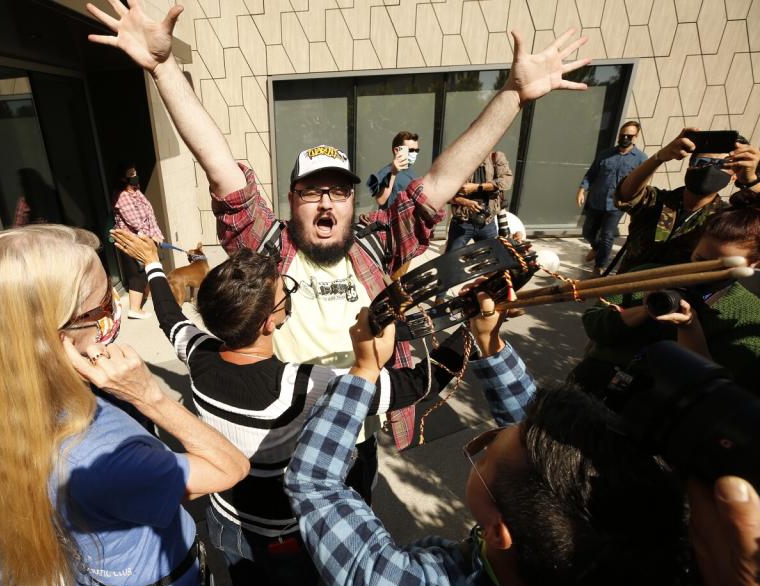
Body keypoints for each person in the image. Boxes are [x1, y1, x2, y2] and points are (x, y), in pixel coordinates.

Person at [86, 0, 591, 469]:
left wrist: (512, 96)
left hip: (355, 433)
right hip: (281, 436)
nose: (326, 202)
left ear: (354, 201)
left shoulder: (376, 242)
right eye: (312, 192)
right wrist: (163, 67)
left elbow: (436, 185)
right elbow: (221, 170)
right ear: (291, 202)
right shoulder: (267, 245)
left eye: (338, 191)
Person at [113, 228, 469, 586]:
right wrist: (472, 335)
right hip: (283, 539)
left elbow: (168, 316)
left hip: (225, 521)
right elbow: (415, 386)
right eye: (285, 294)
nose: (288, 299)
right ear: (269, 322)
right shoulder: (299, 386)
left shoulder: (198, 354)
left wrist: (153, 265)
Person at [284, 297, 687, 586]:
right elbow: (536, 443)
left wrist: (364, 370)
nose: (494, 436)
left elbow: (314, 481)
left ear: (499, 531)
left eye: (487, 449)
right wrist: (488, 344)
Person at [0, 224, 249, 586]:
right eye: (103, 305)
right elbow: (230, 467)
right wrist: (149, 396)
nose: (116, 311)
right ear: (55, 340)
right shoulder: (102, 452)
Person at [572, 203, 760, 396]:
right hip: (593, 381)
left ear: (753, 263)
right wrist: (644, 310)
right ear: (695, 245)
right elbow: (593, 324)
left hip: (656, 410)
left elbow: (719, 387)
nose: (705, 271)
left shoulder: (749, 314)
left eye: (722, 267)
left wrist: (689, 326)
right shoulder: (649, 274)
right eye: (700, 259)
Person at [614, 128, 760, 273]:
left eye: (722, 165)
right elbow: (626, 194)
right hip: (624, 290)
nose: (709, 169)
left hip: (678, 294)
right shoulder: (658, 201)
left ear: (734, 175)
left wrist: (752, 182)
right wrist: (660, 156)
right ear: (690, 165)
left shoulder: (724, 220)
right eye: (702, 162)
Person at [577, 120, 647, 274]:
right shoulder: (605, 155)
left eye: (629, 135)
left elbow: (641, 185)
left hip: (617, 205)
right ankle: (596, 248)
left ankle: (599, 265)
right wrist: (582, 189)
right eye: (623, 135)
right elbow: (591, 174)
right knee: (587, 232)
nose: (625, 138)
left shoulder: (641, 159)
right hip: (597, 200)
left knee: (607, 236)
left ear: (636, 137)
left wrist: (635, 204)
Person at [112, 163, 164, 318]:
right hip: (131, 240)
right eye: (131, 174)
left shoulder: (137, 192)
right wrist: (150, 237)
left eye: (136, 173)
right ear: (123, 178)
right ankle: (134, 309)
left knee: (147, 268)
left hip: (144, 238)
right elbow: (135, 221)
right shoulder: (122, 196)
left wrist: (157, 235)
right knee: (137, 274)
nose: (135, 176)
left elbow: (150, 216)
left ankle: (146, 298)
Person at [445, 150, 514, 252]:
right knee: (450, 261)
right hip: (462, 222)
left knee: (491, 262)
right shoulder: (458, 159)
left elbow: (506, 182)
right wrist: (465, 202)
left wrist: (477, 187)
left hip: (487, 223)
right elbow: (446, 193)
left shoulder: (496, 156)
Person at [367, 130, 420, 208]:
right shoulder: (385, 172)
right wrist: (393, 173)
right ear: (396, 150)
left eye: (417, 150)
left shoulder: (411, 172)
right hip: (390, 219)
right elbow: (380, 200)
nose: (414, 153)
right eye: (411, 150)